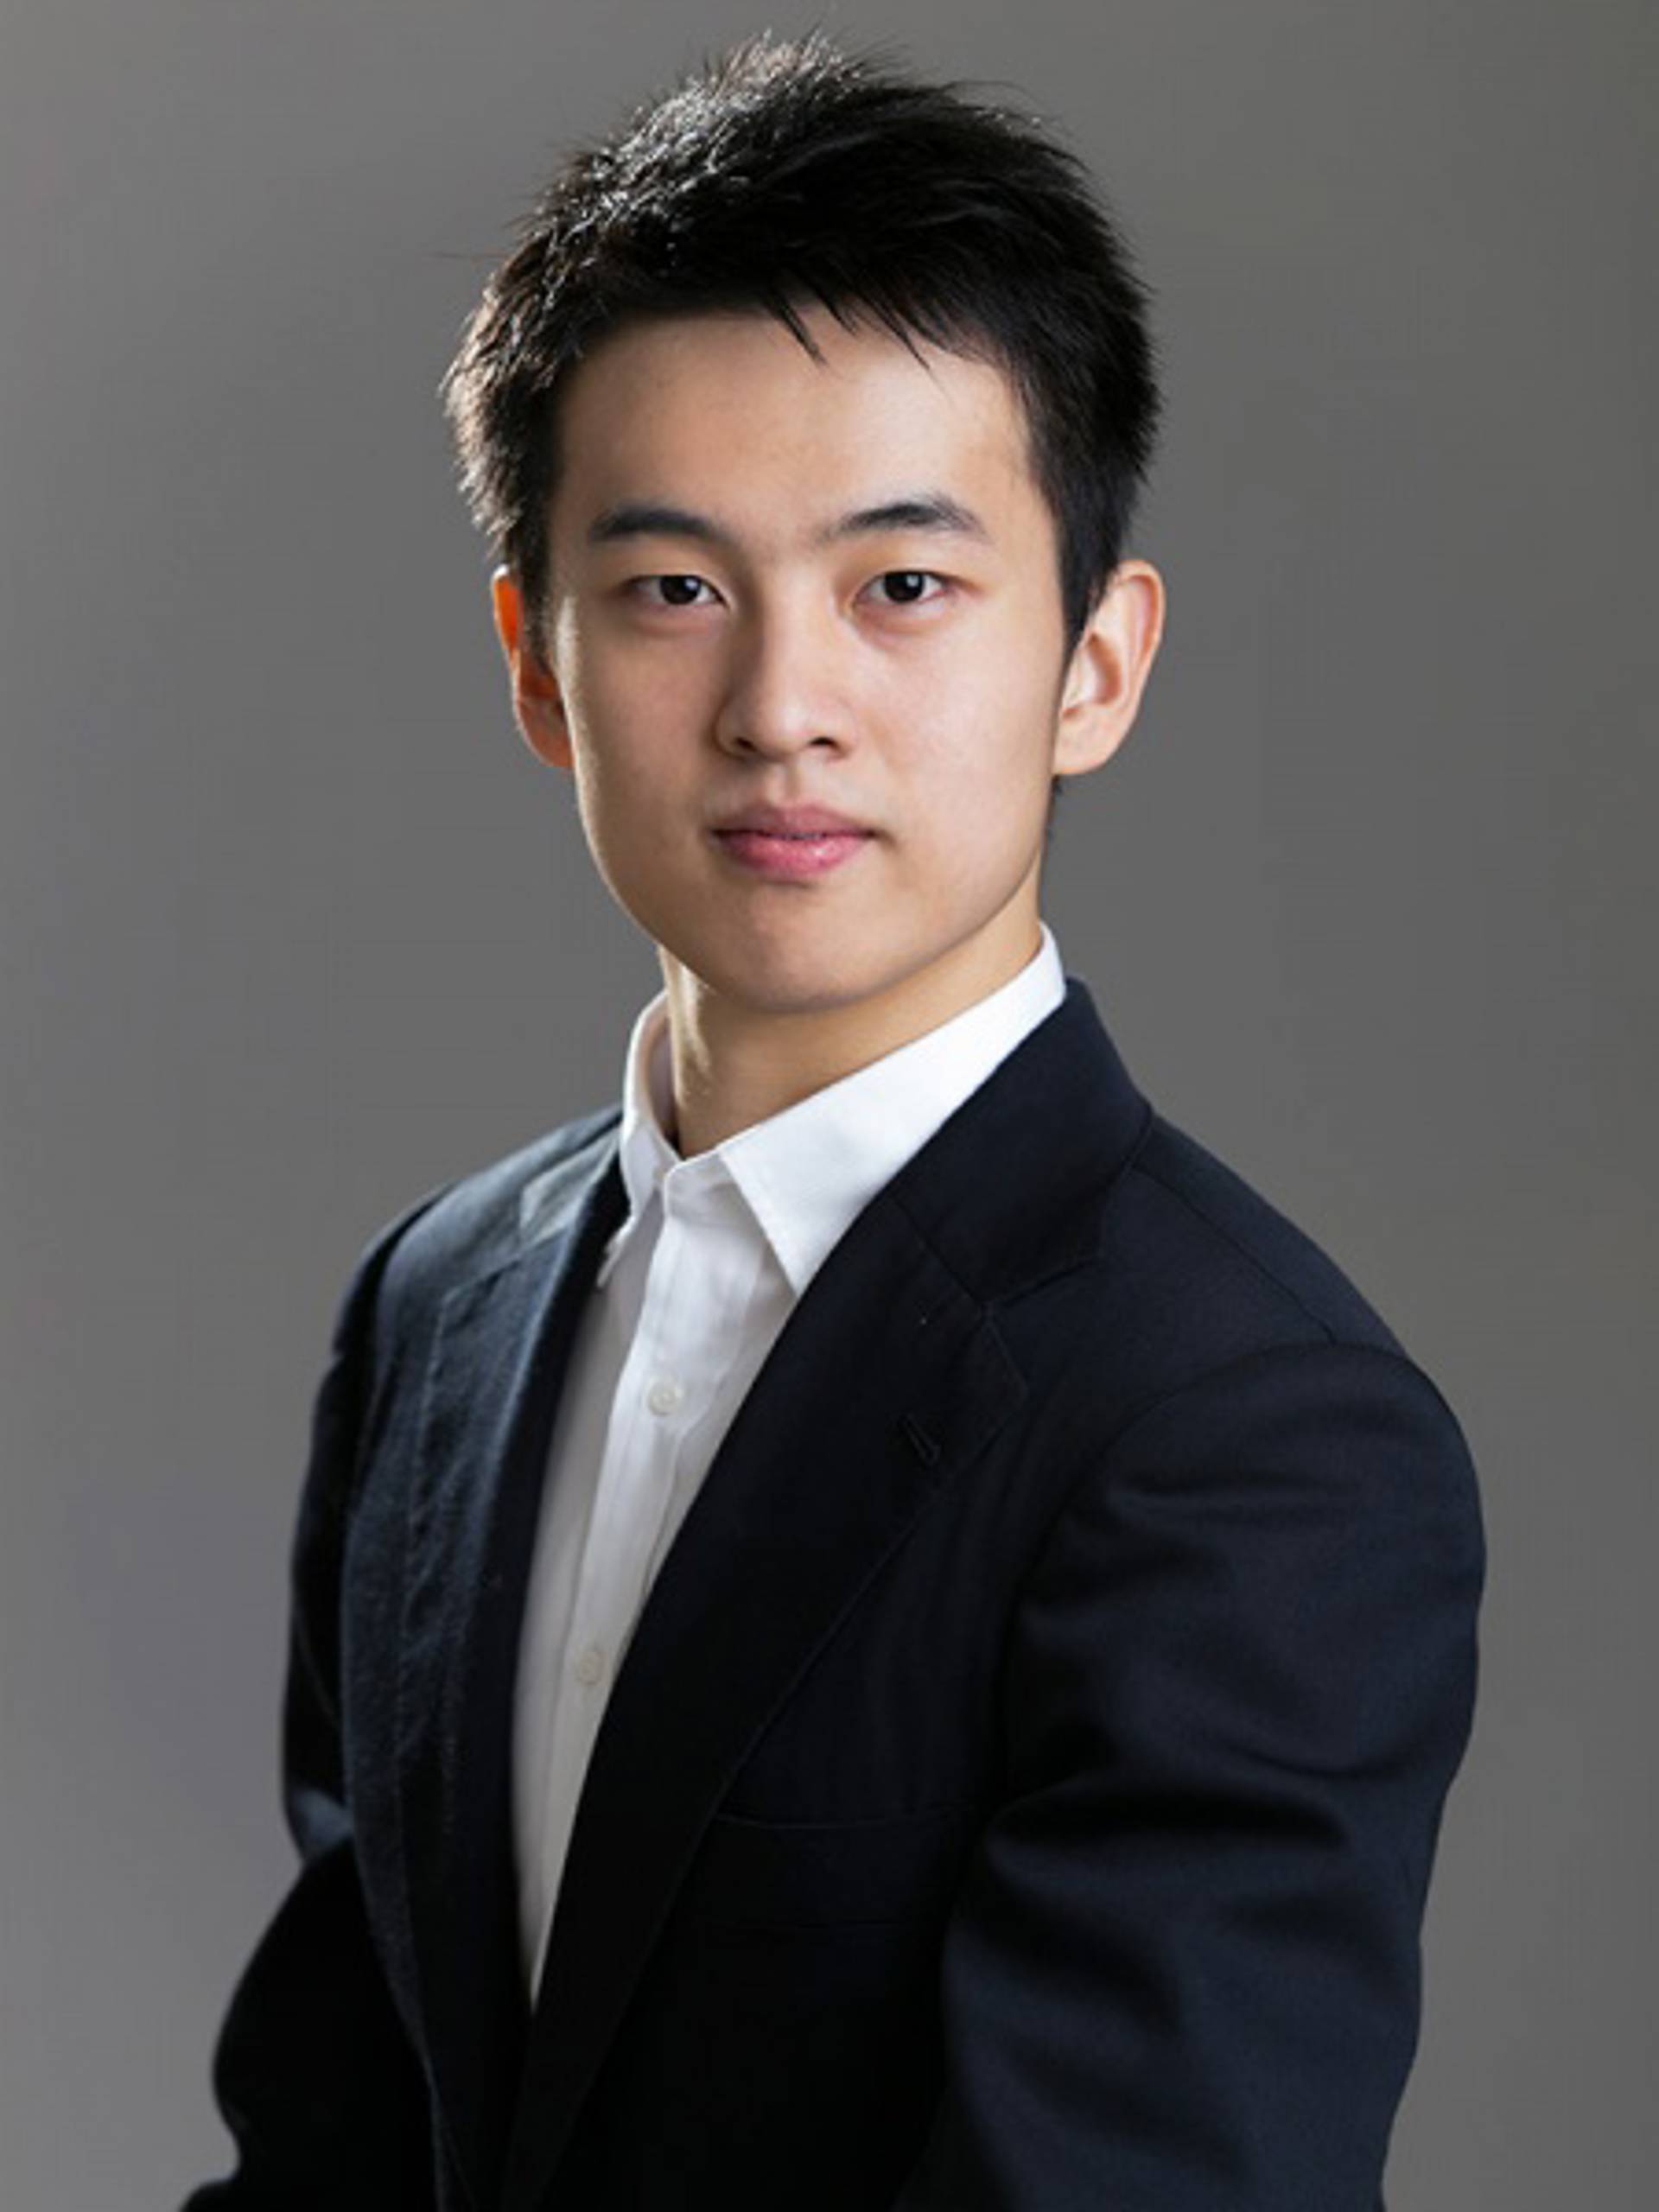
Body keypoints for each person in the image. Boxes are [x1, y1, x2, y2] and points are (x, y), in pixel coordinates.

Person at [185, 31, 1484, 2211]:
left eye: (905, 584)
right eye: (674, 586)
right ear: (536, 662)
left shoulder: (1250, 1427)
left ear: (1096, 660)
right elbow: (342, 2141)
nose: (783, 702)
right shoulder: (438, 1306)